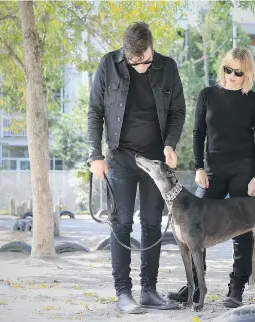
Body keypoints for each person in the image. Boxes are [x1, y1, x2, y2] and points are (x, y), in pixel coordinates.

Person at [87, 22, 186, 314]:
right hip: (119, 157)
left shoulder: (168, 66)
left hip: (156, 161)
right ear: (125, 52)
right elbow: (95, 110)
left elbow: (178, 111)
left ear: (151, 48)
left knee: (153, 224)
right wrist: (95, 155)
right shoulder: (108, 64)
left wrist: (170, 144)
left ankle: (149, 291)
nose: (138, 65)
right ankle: (123, 292)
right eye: (132, 61)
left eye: (143, 59)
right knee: (121, 223)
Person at [168, 47, 255, 308]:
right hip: (212, 171)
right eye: (228, 69)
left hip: (243, 172)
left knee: (242, 231)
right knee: (192, 225)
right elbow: (198, 132)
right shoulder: (208, 95)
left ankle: (236, 289)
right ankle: (196, 287)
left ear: (246, 74)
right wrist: (199, 167)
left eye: (238, 72)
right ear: (222, 67)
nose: (232, 76)